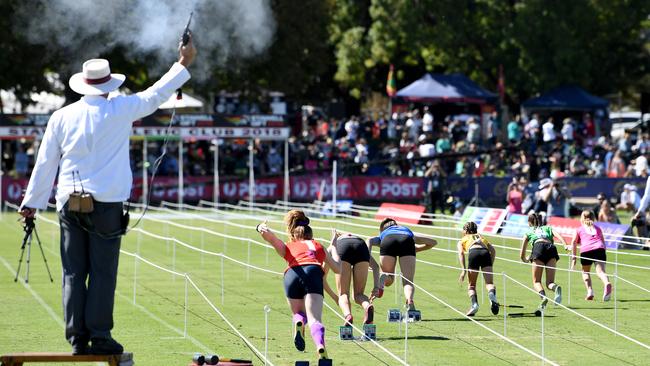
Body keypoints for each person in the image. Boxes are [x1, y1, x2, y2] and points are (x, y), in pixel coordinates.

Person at [19, 38, 197, 355]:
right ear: (108, 85)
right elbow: (155, 94)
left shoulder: (61, 116)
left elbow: (46, 161)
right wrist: (183, 63)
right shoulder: (119, 108)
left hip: (68, 202)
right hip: (107, 204)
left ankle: (77, 338)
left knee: (73, 272)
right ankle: (100, 336)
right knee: (102, 272)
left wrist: (31, 204)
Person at [256, 210, 340, 359]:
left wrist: (260, 227)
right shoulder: (318, 246)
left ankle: (299, 322)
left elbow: (271, 238)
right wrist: (334, 247)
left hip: (292, 274)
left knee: (299, 313)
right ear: (310, 233)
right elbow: (337, 268)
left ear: (294, 234)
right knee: (315, 318)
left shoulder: (289, 246)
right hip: (313, 272)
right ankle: (320, 346)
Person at [370, 218, 437, 311]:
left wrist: (367, 256)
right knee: (408, 281)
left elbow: (369, 240)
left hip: (387, 240)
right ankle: (409, 300)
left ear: (383, 229)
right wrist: (415, 249)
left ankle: (384, 276)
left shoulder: (383, 234)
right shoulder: (406, 230)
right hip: (407, 240)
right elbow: (433, 242)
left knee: (389, 278)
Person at [519, 212, 568, 315]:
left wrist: (526, 259)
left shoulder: (529, 232)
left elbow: (522, 253)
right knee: (550, 282)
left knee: (536, 281)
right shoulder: (548, 228)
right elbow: (558, 235)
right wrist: (565, 245)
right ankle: (555, 288)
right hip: (551, 249)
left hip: (538, 248)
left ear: (530, 222)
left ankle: (543, 298)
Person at [327, 232, 379, 326]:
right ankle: (367, 306)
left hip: (342, 247)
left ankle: (348, 316)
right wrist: (376, 287)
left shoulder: (336, 243)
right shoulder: (356, 239)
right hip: (361, 246)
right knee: (359, 294)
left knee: (343, 294)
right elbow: (375, 267)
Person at [457, 221, 500, 316]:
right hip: (485, 253)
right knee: (489, 283)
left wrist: (463, 270)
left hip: (473, 253)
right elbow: (492, 250)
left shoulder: (462, 239)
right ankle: (492, 295)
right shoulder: (481, 237)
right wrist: (490, 263)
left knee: (471, 285)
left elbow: (461, 253)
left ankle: (474, 305)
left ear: (466, 230)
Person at [570, 211, 613, 301]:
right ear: (593, 218)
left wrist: (574, 257)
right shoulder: (598, 228)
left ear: (582, 218)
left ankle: (590, 291)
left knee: (585, 272)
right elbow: (603, 243)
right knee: (601, 272)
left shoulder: (579, 229)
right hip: (599, 249)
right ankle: (607, 283)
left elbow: (574, 242)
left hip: (586, 250)